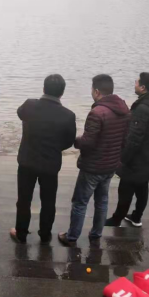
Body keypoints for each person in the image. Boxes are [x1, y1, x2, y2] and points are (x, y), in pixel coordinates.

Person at [59, 75, 130, 247]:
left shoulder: (97, 113)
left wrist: (75, 141)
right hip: (110, 165)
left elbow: (88, 142)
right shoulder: (124, 110)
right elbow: (124, 140)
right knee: (102, 201)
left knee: (80, 202)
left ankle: (72, 237)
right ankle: (96, 233)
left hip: (92, 167)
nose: (91, 93)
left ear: (97, 91)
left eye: (92, 90)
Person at [10, 74, 77, 244]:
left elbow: (20, 114)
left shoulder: (29, 105)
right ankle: (45, 235)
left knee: (24, 199)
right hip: (50, 164)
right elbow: (69, 141)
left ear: (43, 88)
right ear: (62, 92)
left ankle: (21, 233)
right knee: (48, 201)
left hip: (27, 161)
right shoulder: (68, 115)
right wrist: (54, 148)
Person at [106, 73, 149, 228]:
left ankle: (117, 219)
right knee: (142, 186)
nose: (135, 84)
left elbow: (134, 139)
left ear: (143, 87)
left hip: (137, 158)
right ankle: (137, 217)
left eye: (137, 82)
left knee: (125, 188)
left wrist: (122, 159)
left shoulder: (143, 109)